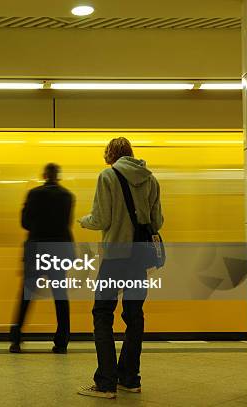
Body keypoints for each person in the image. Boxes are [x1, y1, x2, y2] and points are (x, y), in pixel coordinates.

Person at [77, 137, 163, 399]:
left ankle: (105, 383)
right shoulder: (151, 179)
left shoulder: (107, 176)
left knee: (102, 313)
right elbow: (157, 221)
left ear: (109, 155)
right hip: (140, 259)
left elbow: (101, 218)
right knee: (134, 317)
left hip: (115, 258)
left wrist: (84, 221)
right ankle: (130, 378)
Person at [9, 163, 74, 354]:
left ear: (45, 175)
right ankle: (62, 342)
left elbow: (25, 222)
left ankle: (16, 339)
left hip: (37, 249)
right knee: (60, 296)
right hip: (58, 251)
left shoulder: (34, 194)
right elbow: (66, 224)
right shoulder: (68, 196)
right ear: (58, 176)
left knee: (26, 295)